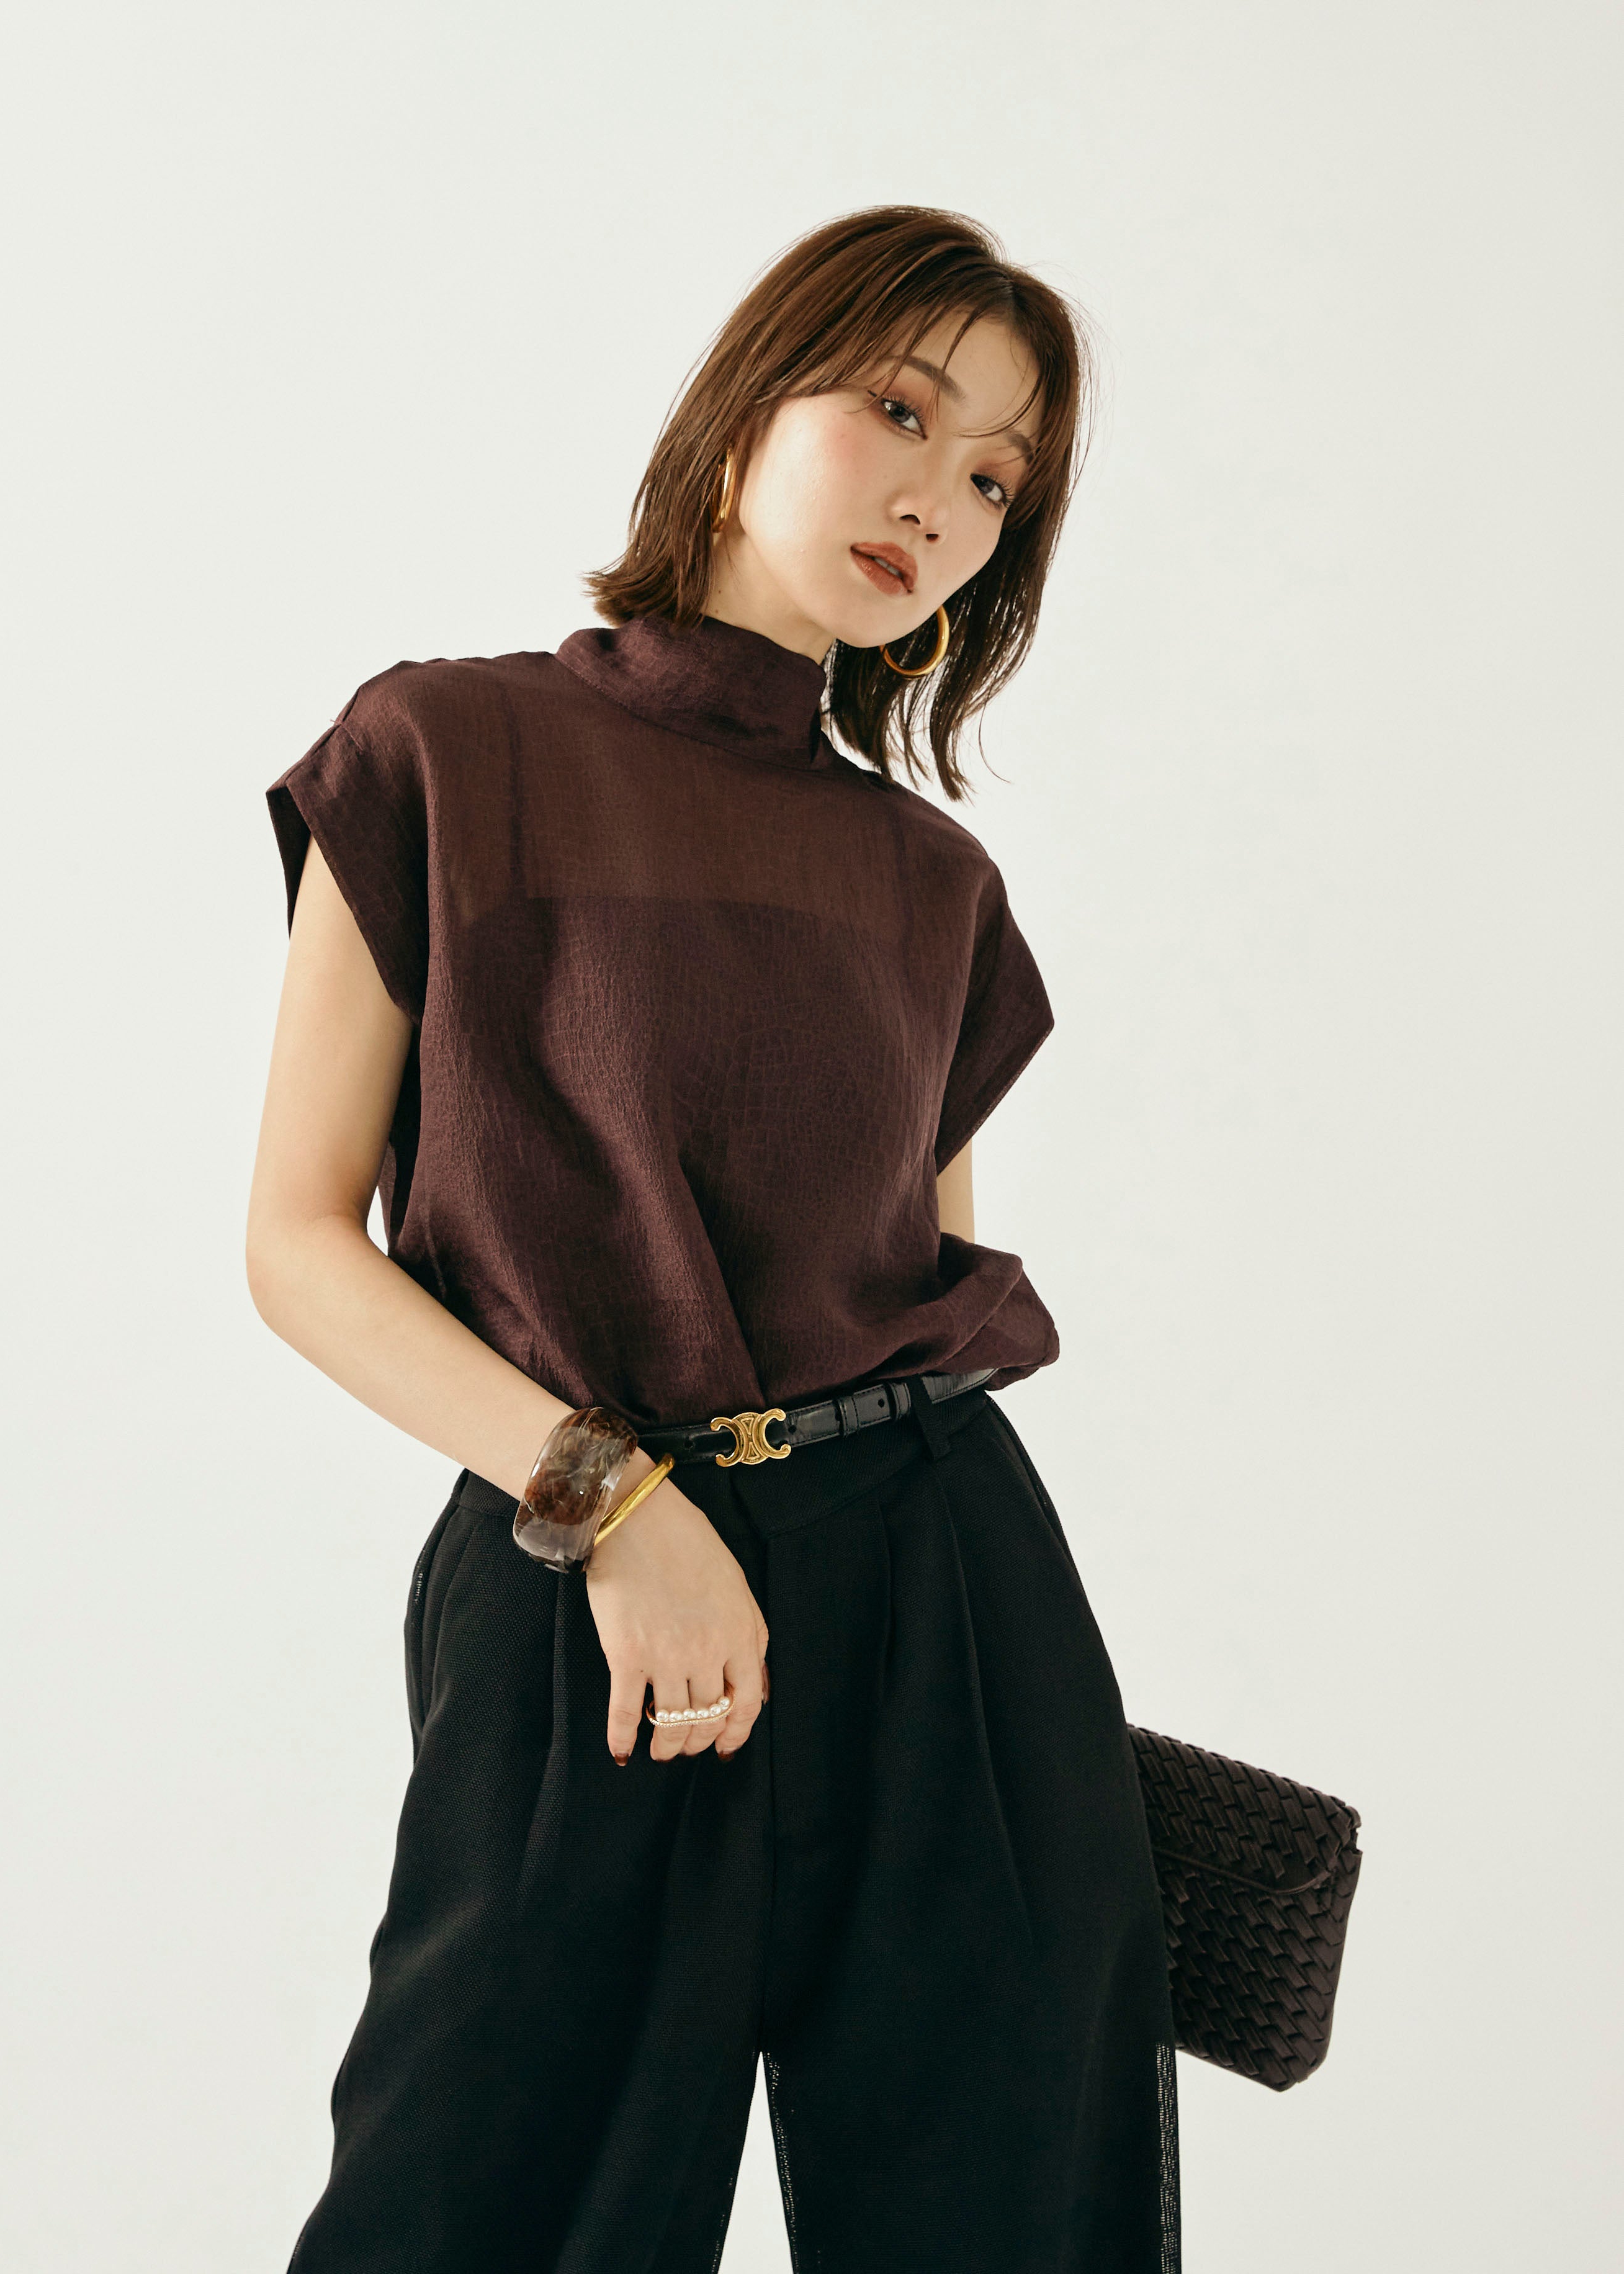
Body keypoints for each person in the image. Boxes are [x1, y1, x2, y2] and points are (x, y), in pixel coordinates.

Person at [248, 204, 1180, 2274]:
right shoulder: (444, 751)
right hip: (579, 1573)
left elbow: (914, 1300)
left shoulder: (933, 885)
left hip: (937, 1587)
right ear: (748, 403)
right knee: (484, 2202)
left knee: (1010, 2219)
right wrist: (617, 1509)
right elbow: (299, 1244)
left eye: (996, 482)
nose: (937, 503)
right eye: (901, 414)